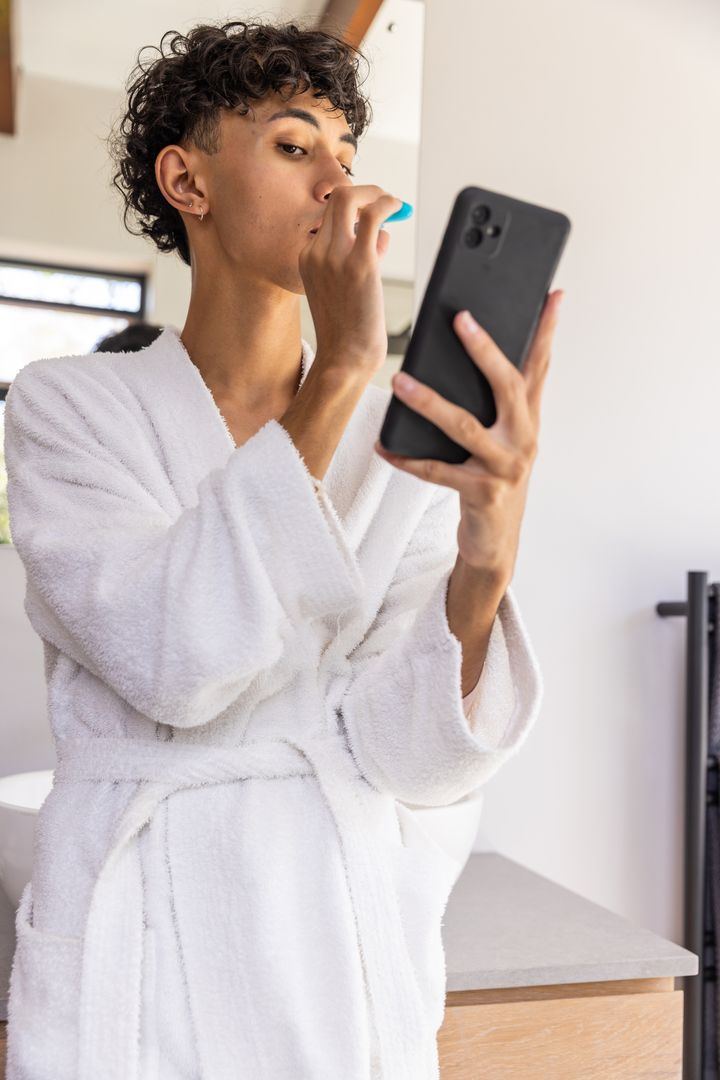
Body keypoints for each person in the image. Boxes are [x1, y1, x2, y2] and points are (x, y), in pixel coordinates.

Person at [3, 18, 562, 1080]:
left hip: (330, 953)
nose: (339, 186)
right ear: (189, 180)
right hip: (141, 952)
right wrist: (345, 365)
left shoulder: (400, 447)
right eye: (296, 147)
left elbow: (411, 757)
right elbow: (173, 659)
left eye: (350, 159)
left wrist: (489, 554)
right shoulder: (68, 406)